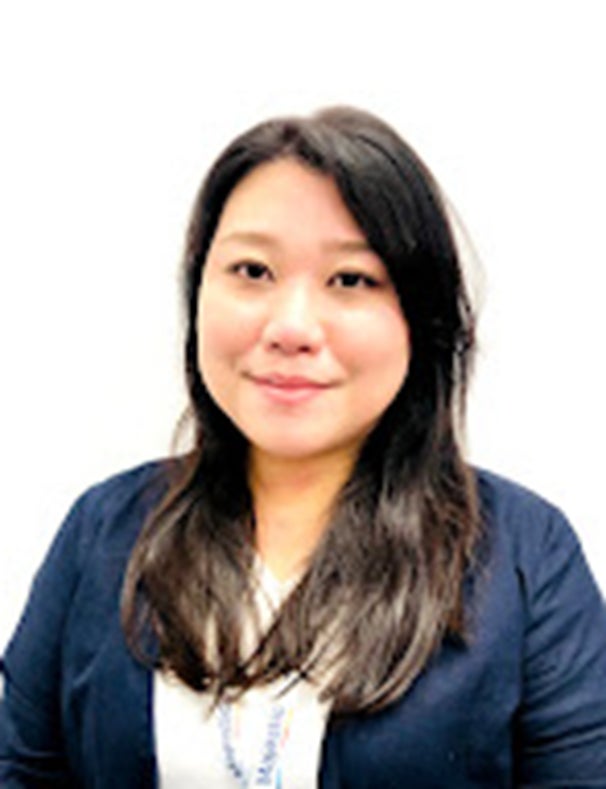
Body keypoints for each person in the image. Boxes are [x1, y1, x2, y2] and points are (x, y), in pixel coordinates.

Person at [1, 107, 605, 788]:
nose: (291, 327)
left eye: (350, 279)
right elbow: (25, 769)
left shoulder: (524, 554)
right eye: (252, 270)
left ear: (422, 314)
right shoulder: (103, 532)